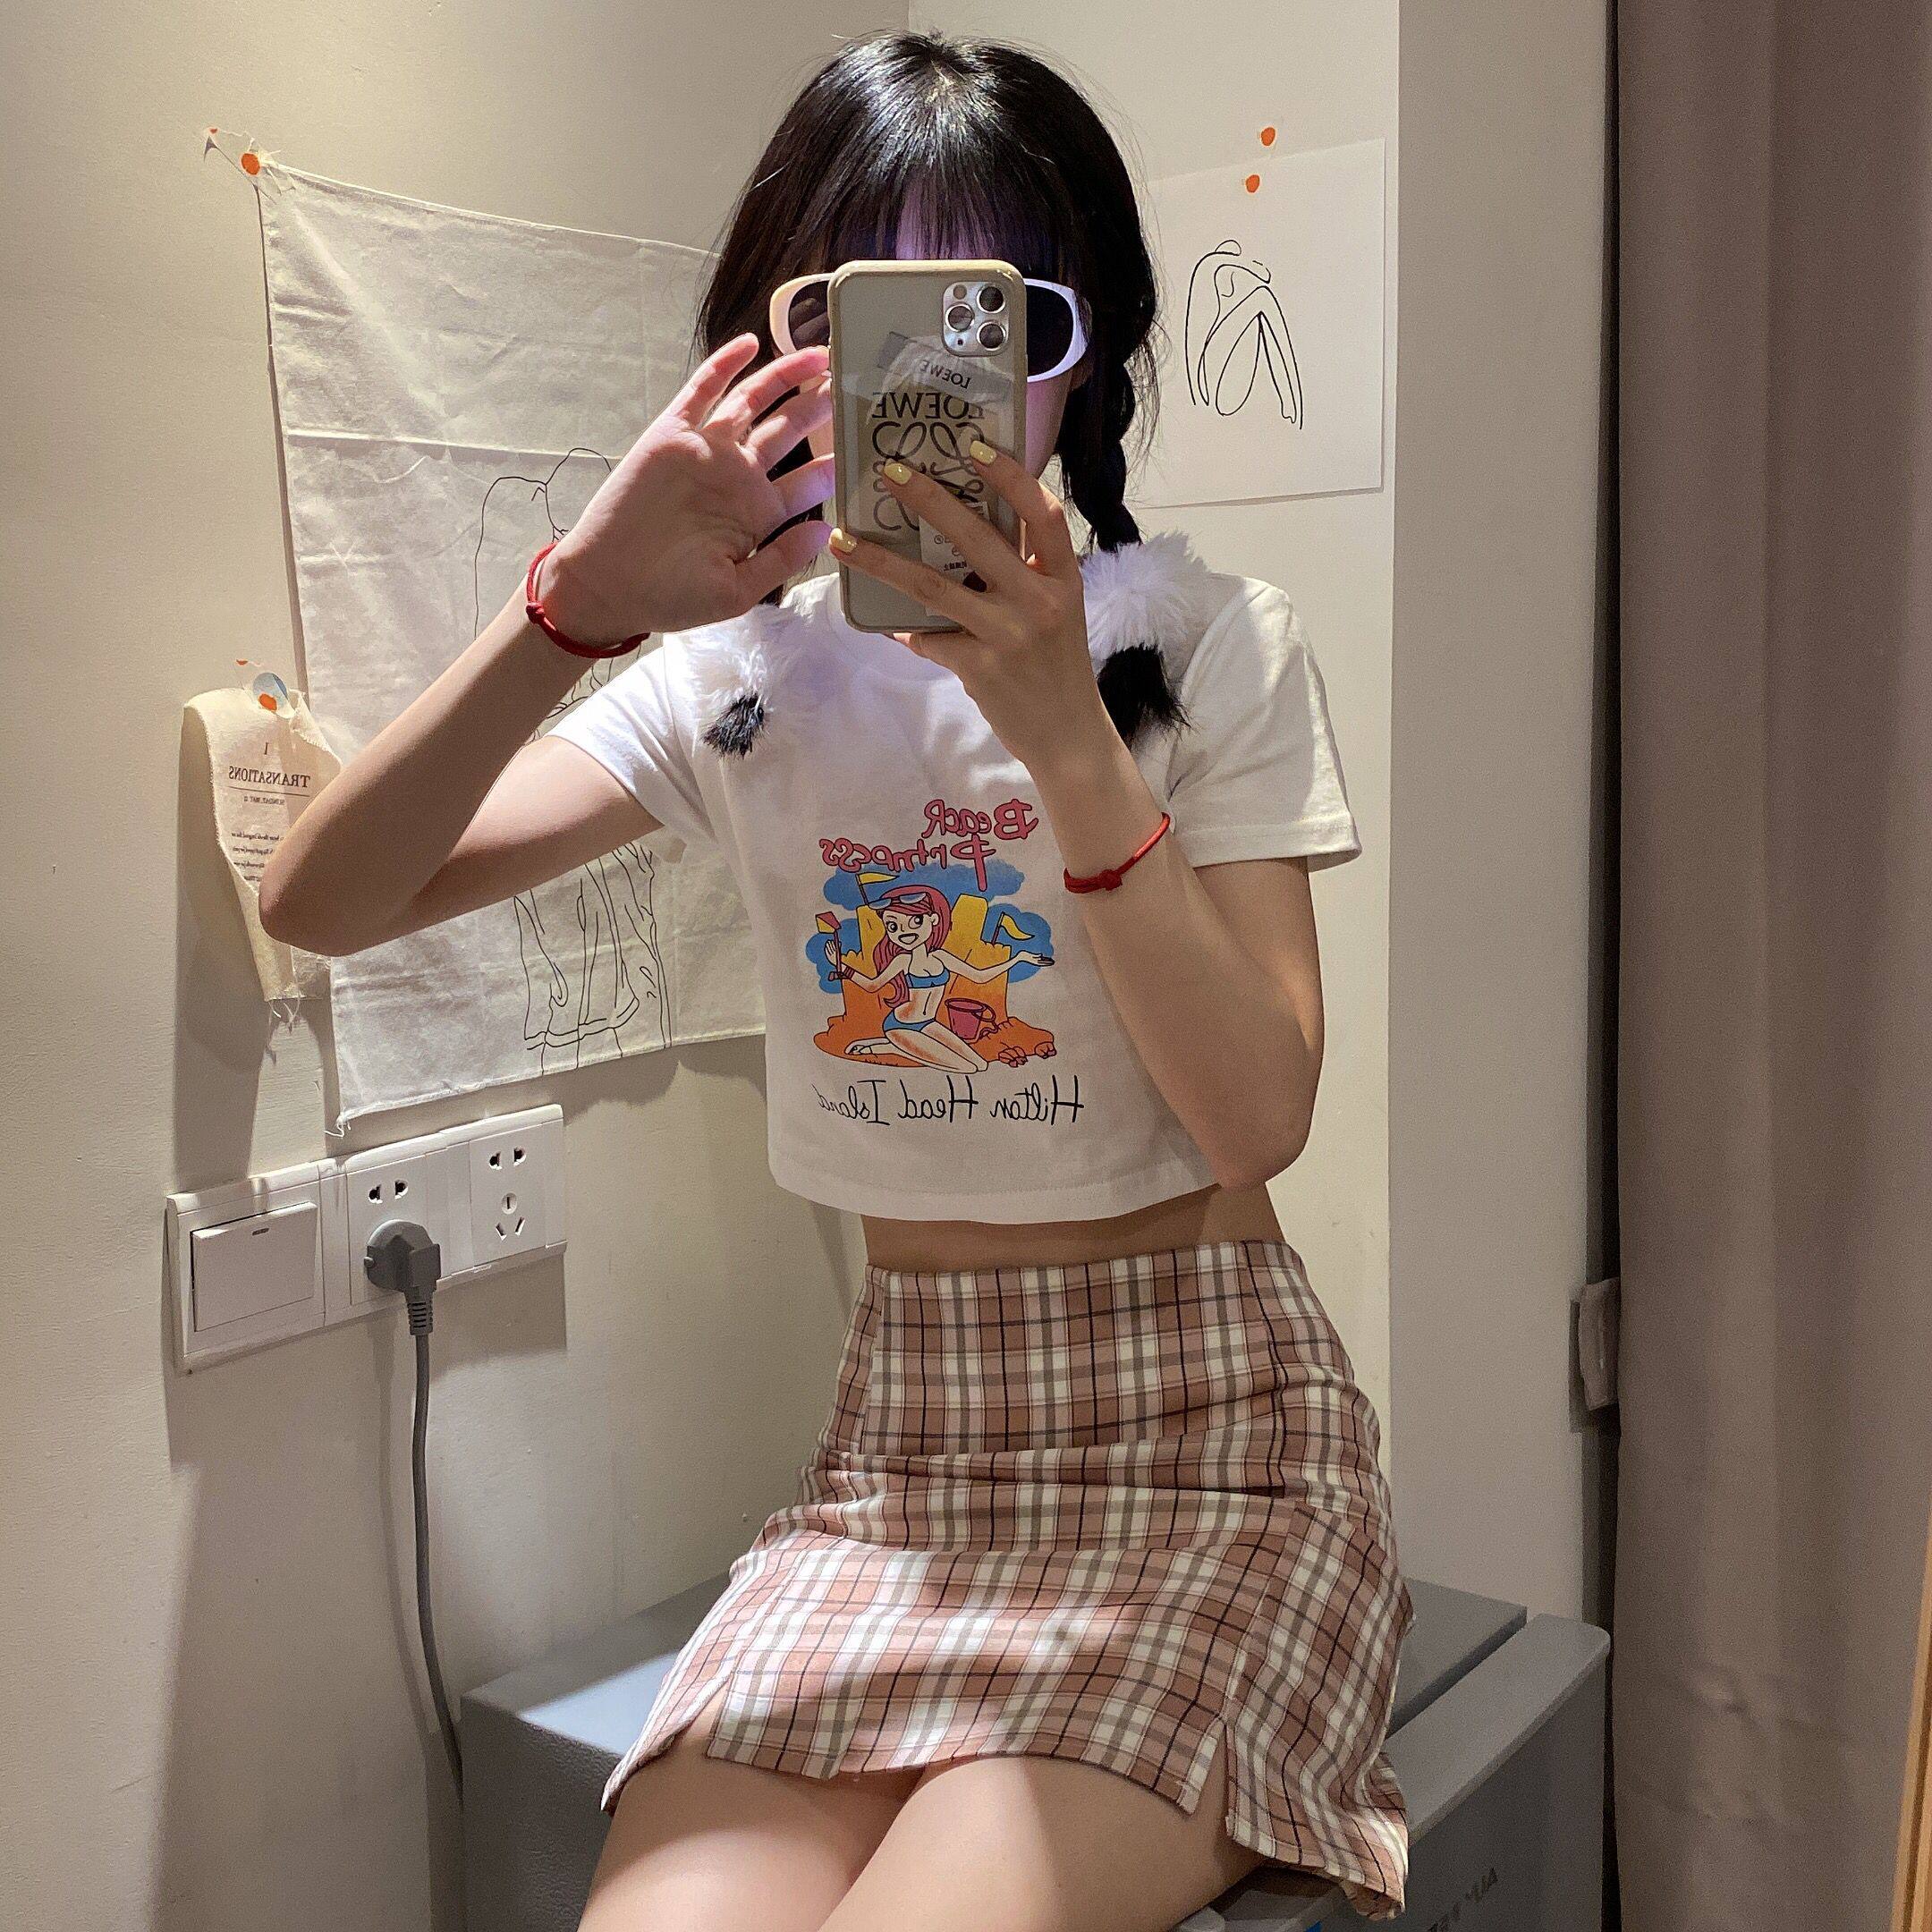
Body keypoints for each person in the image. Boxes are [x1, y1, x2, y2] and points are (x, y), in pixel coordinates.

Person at [259, 29, 1414, 1932]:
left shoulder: (1214, 644)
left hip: (1216, 1457)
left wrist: (1064, 734)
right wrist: (576, 606)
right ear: (772, 347)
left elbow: (1255, 1119)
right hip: (903, 1466)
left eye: (1000, 318)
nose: (934, 383)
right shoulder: (739, 676)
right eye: (859, 313)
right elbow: (326, 899)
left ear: (1082, 357)